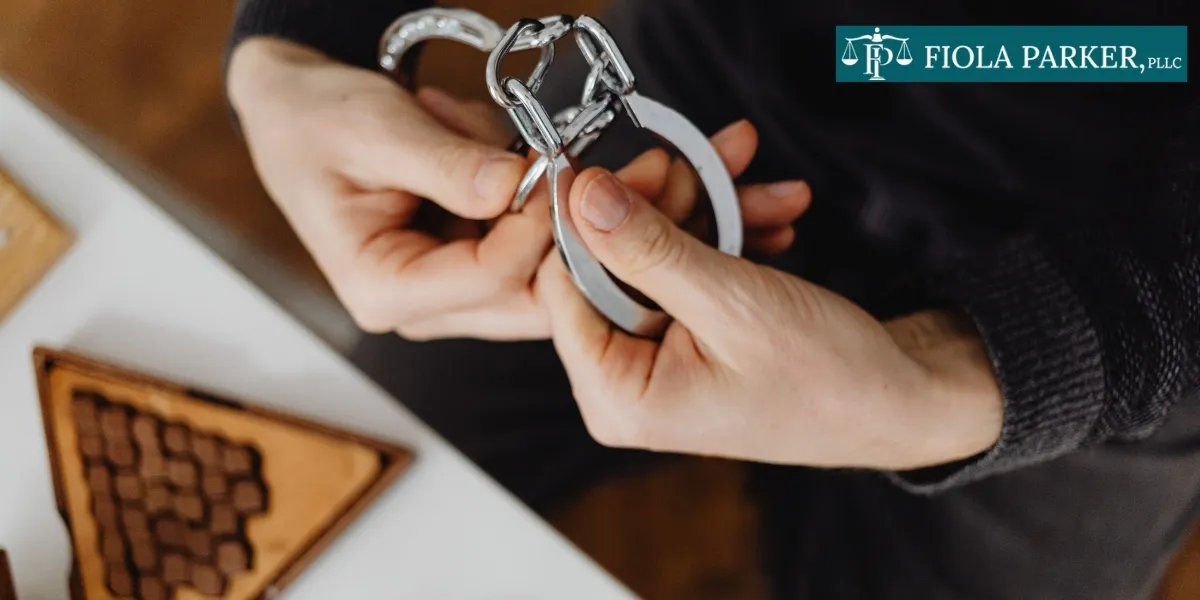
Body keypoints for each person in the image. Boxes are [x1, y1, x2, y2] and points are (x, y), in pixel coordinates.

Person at [223, 0, 1198, 598]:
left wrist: (965, 377)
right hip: (730, 63)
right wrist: (299, 43)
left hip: (1135, 259)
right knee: (336, 478)